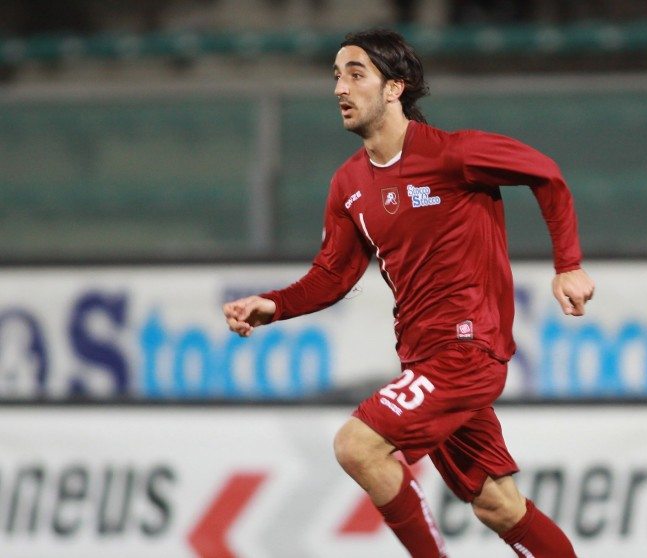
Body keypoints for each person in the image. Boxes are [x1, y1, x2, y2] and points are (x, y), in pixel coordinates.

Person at [222, 29, 593, 558]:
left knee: (356, 445)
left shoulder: (452, 153)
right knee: (498, 505)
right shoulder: (348, 184)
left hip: (466, 348)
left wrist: (568, 265)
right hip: (422, 359)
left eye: (356, 75)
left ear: (394, 88)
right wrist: (274, 305)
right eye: (336, 76)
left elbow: (546, 174)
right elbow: (334, 274)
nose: (340, 88)